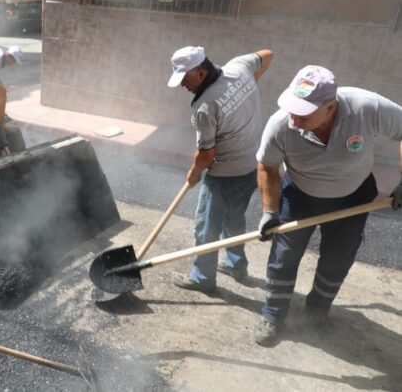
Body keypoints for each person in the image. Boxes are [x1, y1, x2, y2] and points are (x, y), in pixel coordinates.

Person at [253, 65, 402, 346]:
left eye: (304, 114)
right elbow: (267, 166)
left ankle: (317, 313)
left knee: (338, 258)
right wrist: (269, 212)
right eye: (292, 110)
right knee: (284, 257)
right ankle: (272, 315)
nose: (294, 119)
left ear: (330, 107)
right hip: (299, 196)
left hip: (353, 196)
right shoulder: (281, 124)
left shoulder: (367, 107)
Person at [167, 45, 273, 293]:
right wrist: (248, 85)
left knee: (206, 226)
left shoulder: (205, 105)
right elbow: (267, 54)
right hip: (250, 167)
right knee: (234, 218)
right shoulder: (239, 67)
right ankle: (236, 265)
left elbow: (206, 155)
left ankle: (203, 277)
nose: (183, 85)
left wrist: (193, 175)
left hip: (224, 175)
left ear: (200, 74)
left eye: (185, 79)